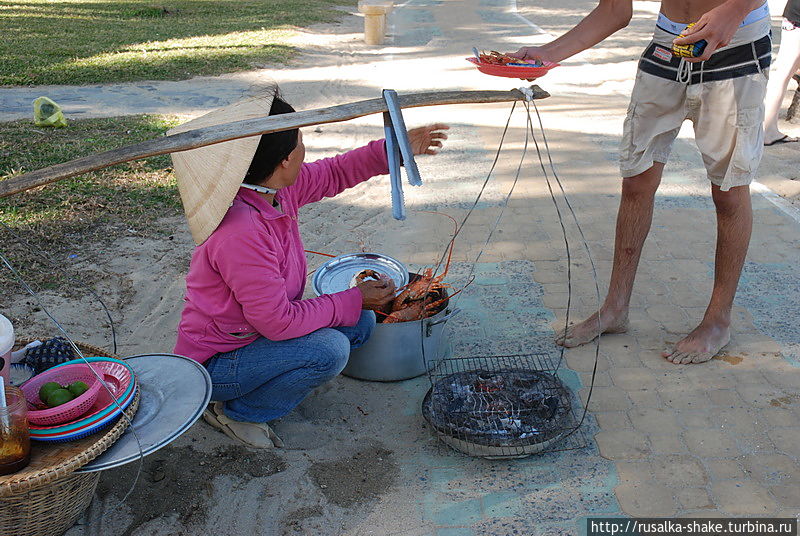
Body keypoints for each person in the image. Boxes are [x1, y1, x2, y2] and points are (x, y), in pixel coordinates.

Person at [170, 87, 449, 447]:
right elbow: (278, 322)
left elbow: (334, 172)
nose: (305, 151)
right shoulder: (240, 232)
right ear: (284, 160)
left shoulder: (269, 189)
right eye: (300, 142)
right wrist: (353, 298)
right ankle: (237, 411)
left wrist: (393, 148)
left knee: (360, 322)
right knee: (329, 350)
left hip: (258, 337)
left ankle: (270, 380)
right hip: (215, 365)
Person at [510, 0, 771, 364]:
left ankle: (717, 320)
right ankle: (615, 308)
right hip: (667, 46)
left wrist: (736, 9)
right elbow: (616, 10)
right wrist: (547, 53)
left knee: (728, 192)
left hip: (736, 49)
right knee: (636, 181)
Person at [763, 0, 800, 145]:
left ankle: (767, 129)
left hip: (794, 15)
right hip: (796, 18)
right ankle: (767, 130)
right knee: (783, 72)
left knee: (783, 72)